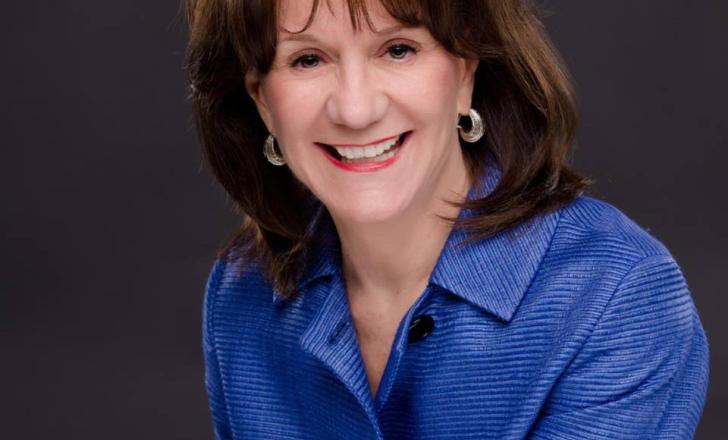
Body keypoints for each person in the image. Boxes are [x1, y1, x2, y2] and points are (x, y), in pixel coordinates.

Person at [185, 0, 709, 438]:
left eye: (398, 49)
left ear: (465, 70)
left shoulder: (616, 295)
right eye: (307, 60)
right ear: (262, 99)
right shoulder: (241, 293)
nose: (355, 110)